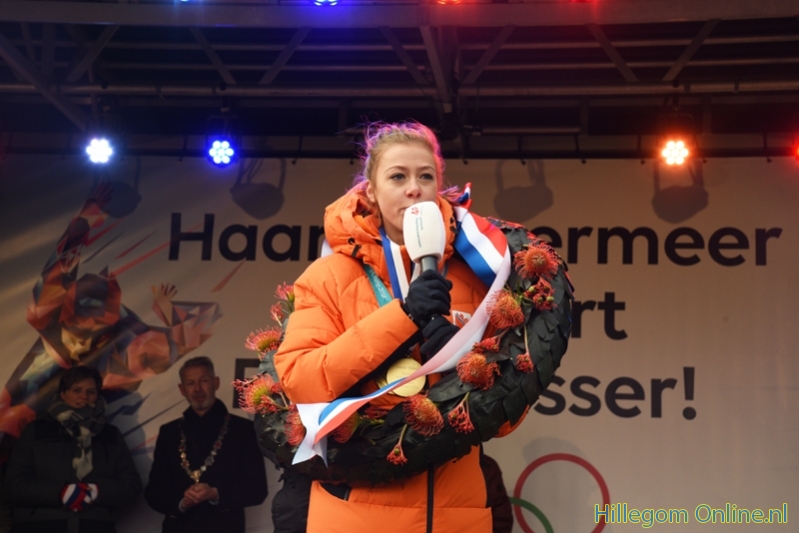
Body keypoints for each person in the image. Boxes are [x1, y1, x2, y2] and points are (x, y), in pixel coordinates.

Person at [273, 121, 523, 533]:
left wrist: (465, 362)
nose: (414, 189)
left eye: (426, 176)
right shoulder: (329, 276)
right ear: (370, 190)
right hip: (356, 517)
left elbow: (510, 414)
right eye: (397, 177)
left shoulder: (482, 273)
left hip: (456, 518)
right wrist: (402, 317)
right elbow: (302, 380)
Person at [5, 366, 141, 533]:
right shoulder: (36, 430)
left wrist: (96, 492)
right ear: (63, 393)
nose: (84, 396)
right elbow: (14, 485)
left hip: (95, 527)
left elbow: (131, 486)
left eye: (91, 391)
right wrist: (60, 492)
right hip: (40, 526)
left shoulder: (110, 434)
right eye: (77, 390)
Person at [144, 356, 267, 533]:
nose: (197, 389)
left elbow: (257, 490)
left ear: (215, 383)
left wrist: (215, 493)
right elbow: (154, 493)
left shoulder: (243, 430)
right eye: (190, 383)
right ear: (182, 389)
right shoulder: (169, 433)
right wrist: (181, 502)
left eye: (203, 381)